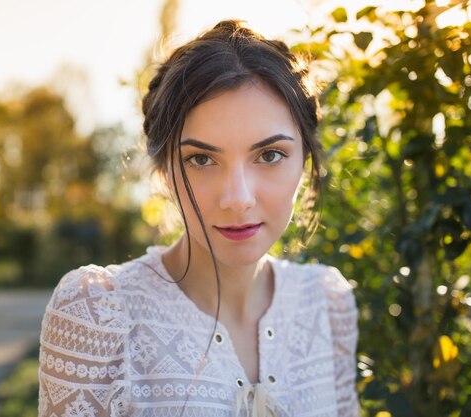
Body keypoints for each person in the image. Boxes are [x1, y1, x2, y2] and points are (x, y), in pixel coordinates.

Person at [38, 20, 359, 417]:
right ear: (163, 171)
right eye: (202, 159)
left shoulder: (328, 304)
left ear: (305, 159)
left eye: (270, 155)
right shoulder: (99, 315)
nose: (237, 199)